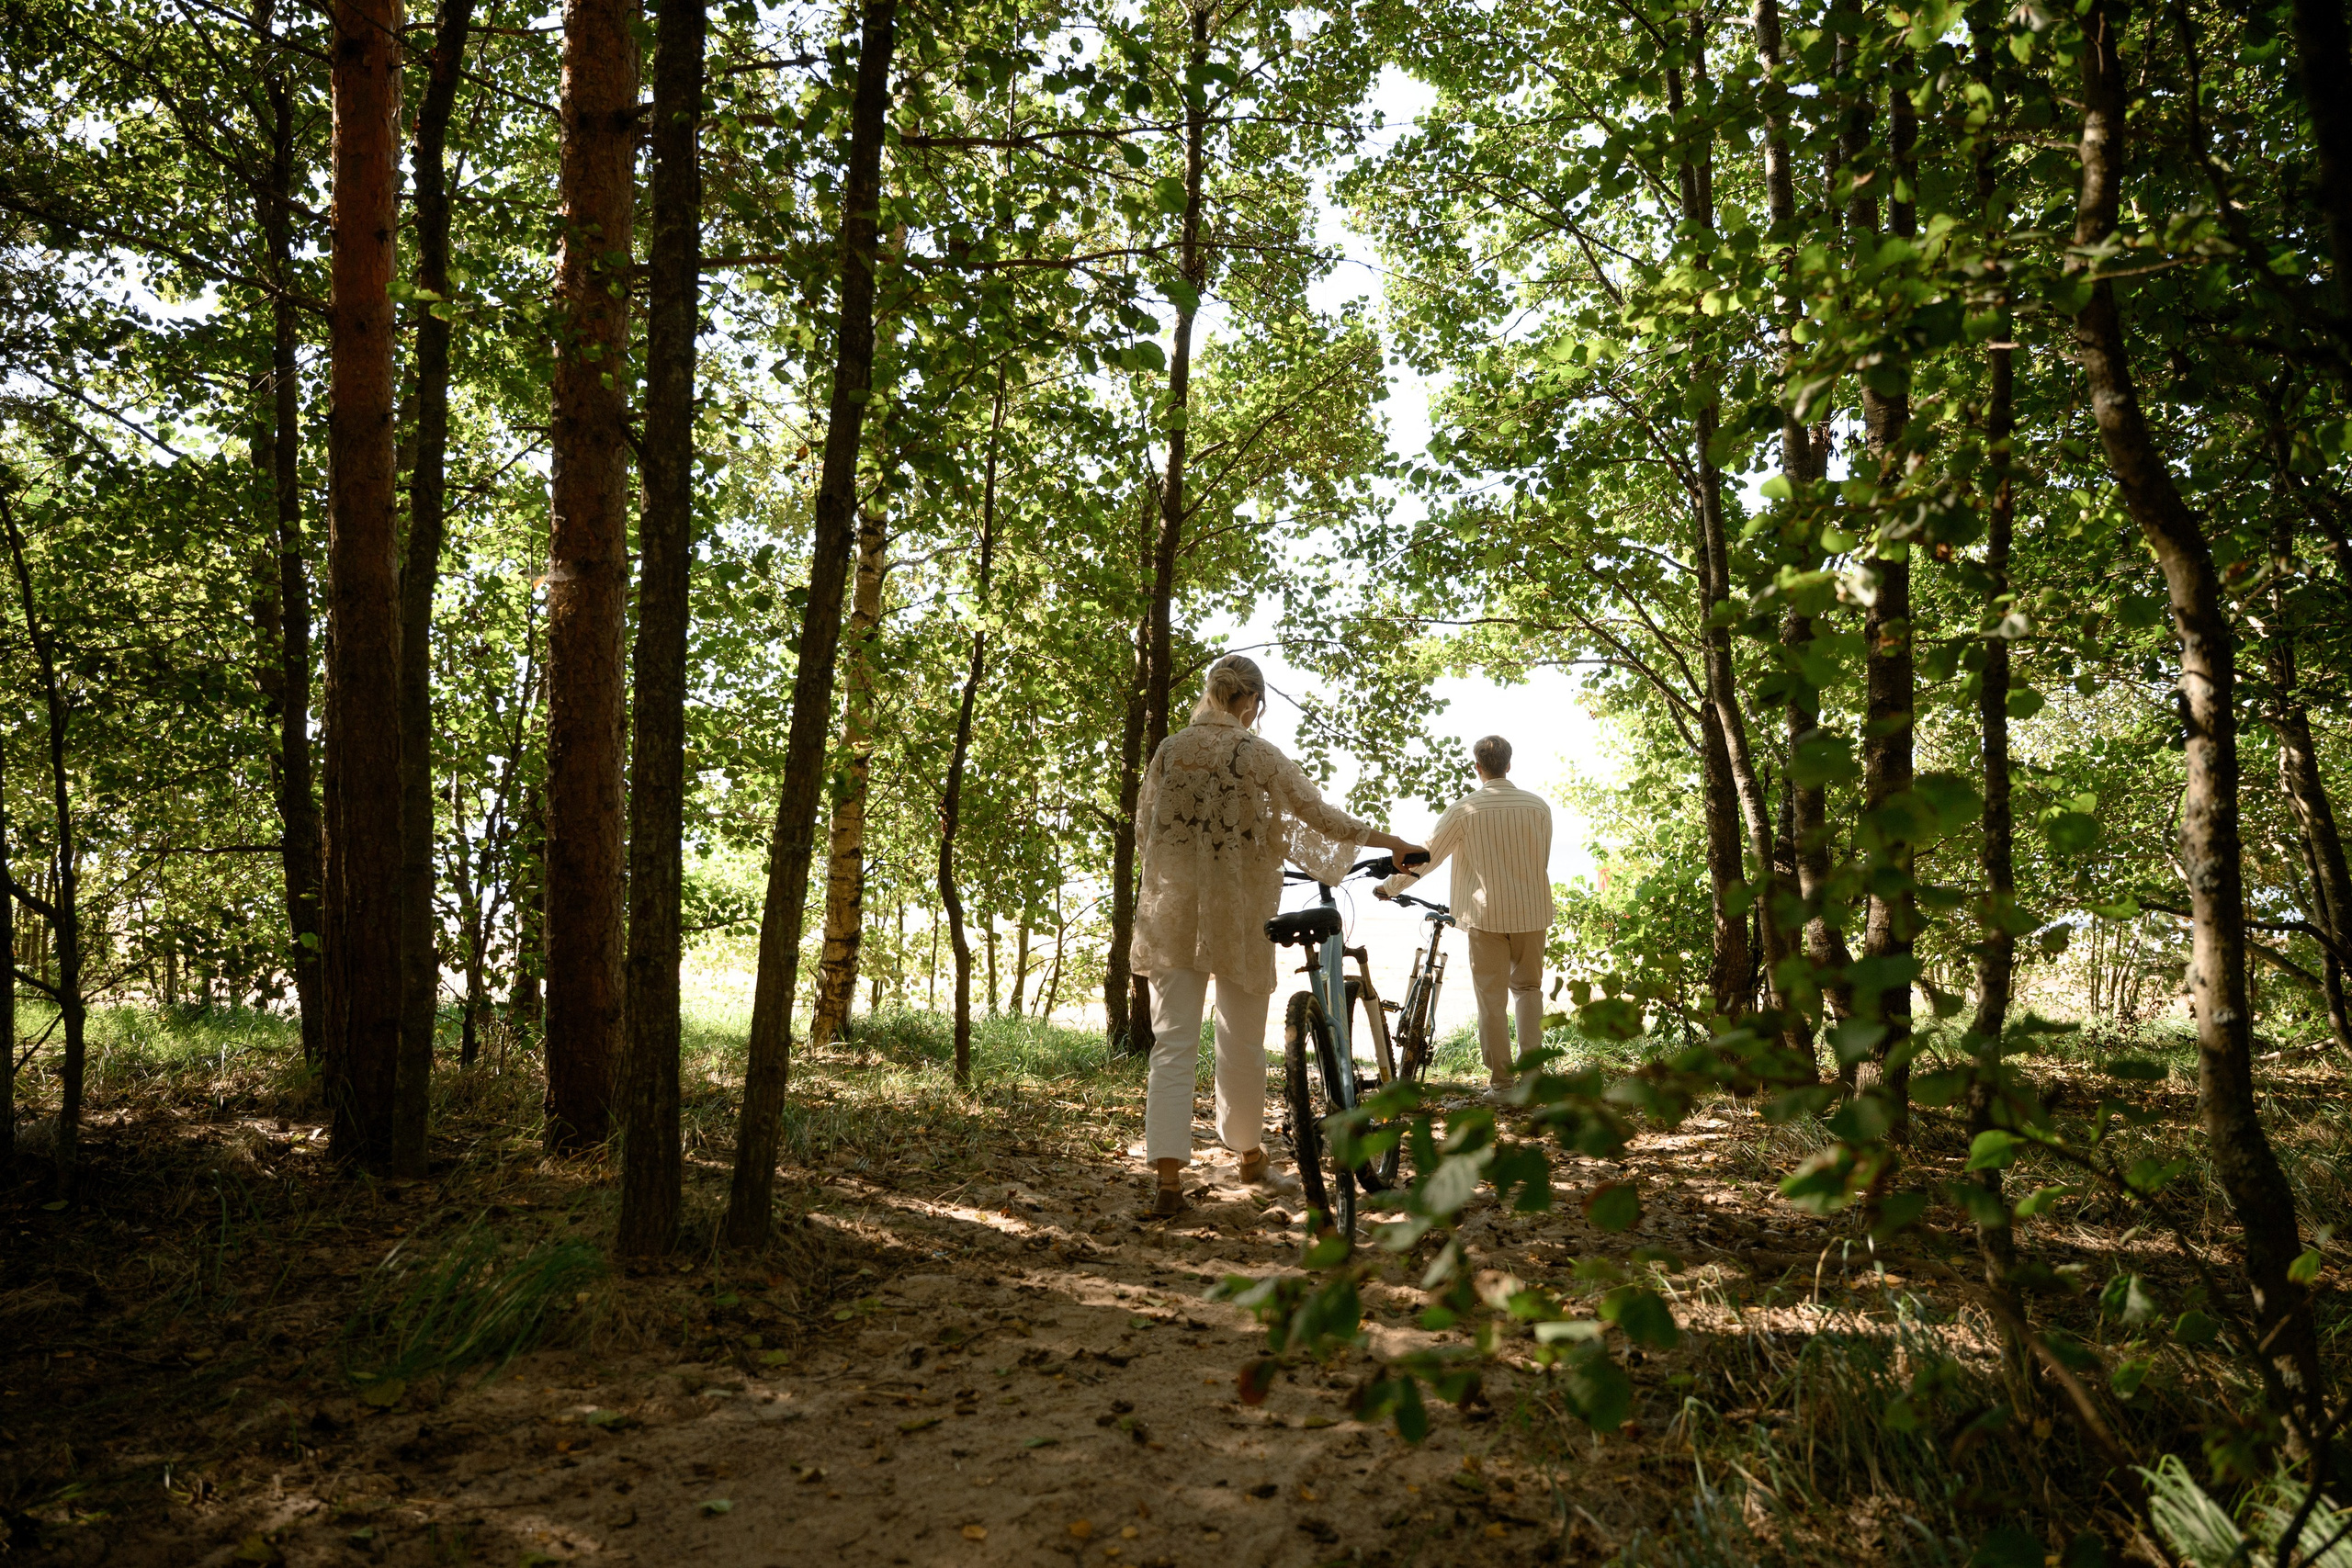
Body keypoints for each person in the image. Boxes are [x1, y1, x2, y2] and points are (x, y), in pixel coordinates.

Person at [1130, 654, 1425, 1216]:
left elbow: (1148, 829)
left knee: (1172, 1044)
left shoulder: (1170, 751)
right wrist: (1391, 842)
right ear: (1250, 703)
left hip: (1172, 913)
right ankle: (1247, 1157)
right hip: (1237, 913)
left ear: (1213, 695)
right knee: (1240, 1039)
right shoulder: (1257, 754)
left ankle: (1167, 1181)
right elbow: (1319, 817)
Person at [1377, 734, 1553, 1099]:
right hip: (1532, 912)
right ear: (1509, 764)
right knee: (1528, 991)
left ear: (1478, 768)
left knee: (1491, 998)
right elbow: (1542, 857)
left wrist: (1389, 887)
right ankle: (1534, 1081)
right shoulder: (1538, 806)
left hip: (1486, 915)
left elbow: (1427, 856)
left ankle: (1503, 1085)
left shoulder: (1464, 809)